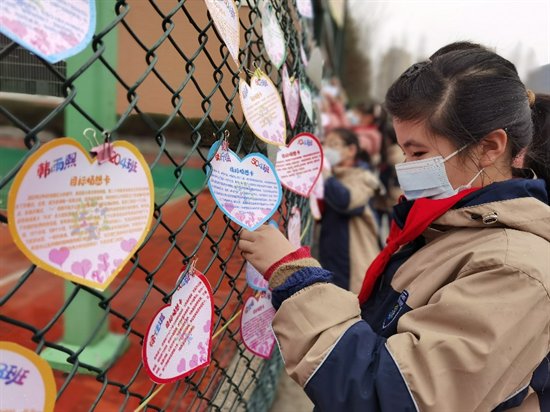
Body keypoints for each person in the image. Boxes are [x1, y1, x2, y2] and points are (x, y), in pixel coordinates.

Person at [238, 41, 550, 411]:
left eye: (418, 153)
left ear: (490, 147)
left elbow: (390, 396)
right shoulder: (452, 228)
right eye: (403, 151)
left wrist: (294, 280)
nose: (406, 166)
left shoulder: (513, 269)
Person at [319, 127, 381, 293]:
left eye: (334, 144)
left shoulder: (363, 177)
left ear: (351, 150)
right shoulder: (335, 175)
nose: (327, 149)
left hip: (351, 259)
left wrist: (325, 175)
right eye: (325, 144)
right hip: (330, 252)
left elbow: (346, 201)